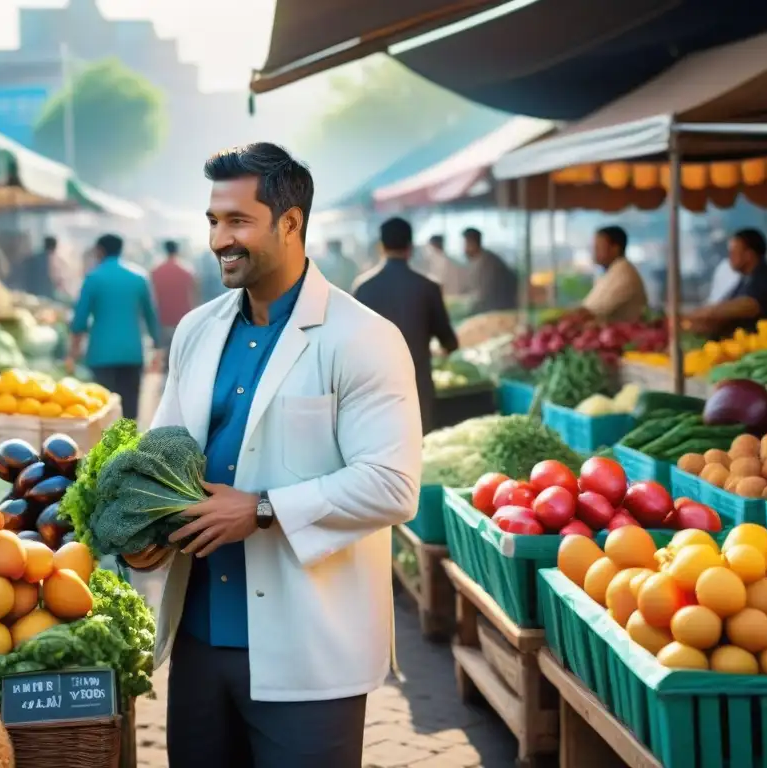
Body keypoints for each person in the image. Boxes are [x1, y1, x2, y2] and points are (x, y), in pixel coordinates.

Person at [121, 143, 421, 768]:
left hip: (310, 647)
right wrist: (141, 527)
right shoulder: (198, 330)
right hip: (200, 642)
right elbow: (160, 457)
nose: (218, 240)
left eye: (237, 221)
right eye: (212, 221)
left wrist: (260, 509)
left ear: (290, 223)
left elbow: (392, 484)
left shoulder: (363, 336)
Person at [353, 217, 459, 434]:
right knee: (419, 450)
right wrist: (443, 350)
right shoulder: (428, 287)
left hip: (373, 390)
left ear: (381, 247)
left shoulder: (363, 288)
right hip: (417, 387)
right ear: (410, 248)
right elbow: (449, 341)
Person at [66, 234, 160, 421]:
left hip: (101, 353)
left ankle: (107, 449)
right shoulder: (139, 277)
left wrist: (73, 353)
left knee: (104, 409)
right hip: (132, 351)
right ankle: (129, 448)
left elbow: (79, 321)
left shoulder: (93, 278)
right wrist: (157, 348)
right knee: (130, 408)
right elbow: (151, 316)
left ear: (100, 251)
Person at [685, 228, 767, 338]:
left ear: (749, 255)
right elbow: (727, 304)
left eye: (734, 252)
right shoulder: (745, 280)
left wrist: (708, 313)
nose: (730, 257)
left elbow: (749, 305)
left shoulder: (766, 278)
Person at [572, 226, 649, 323]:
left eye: (598, 247)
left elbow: (591, 311)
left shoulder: (623, 275)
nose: (594, 251)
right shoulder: (612, 271)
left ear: (615, 248)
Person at [150, 240, 196, 370]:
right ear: (178, 250)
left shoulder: (156, 271)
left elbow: (152, 298)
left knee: (166, 356)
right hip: (183, 318)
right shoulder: (187, 271)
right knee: (180, 356)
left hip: (163, 317)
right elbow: (194, 295)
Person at [462, 227, 518, 313]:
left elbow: (483, 295)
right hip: (490, 309)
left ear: (473, 243)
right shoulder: (478, 260)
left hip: (498, 311)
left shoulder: (489, 262)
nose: (464, 249)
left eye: (466, 244)